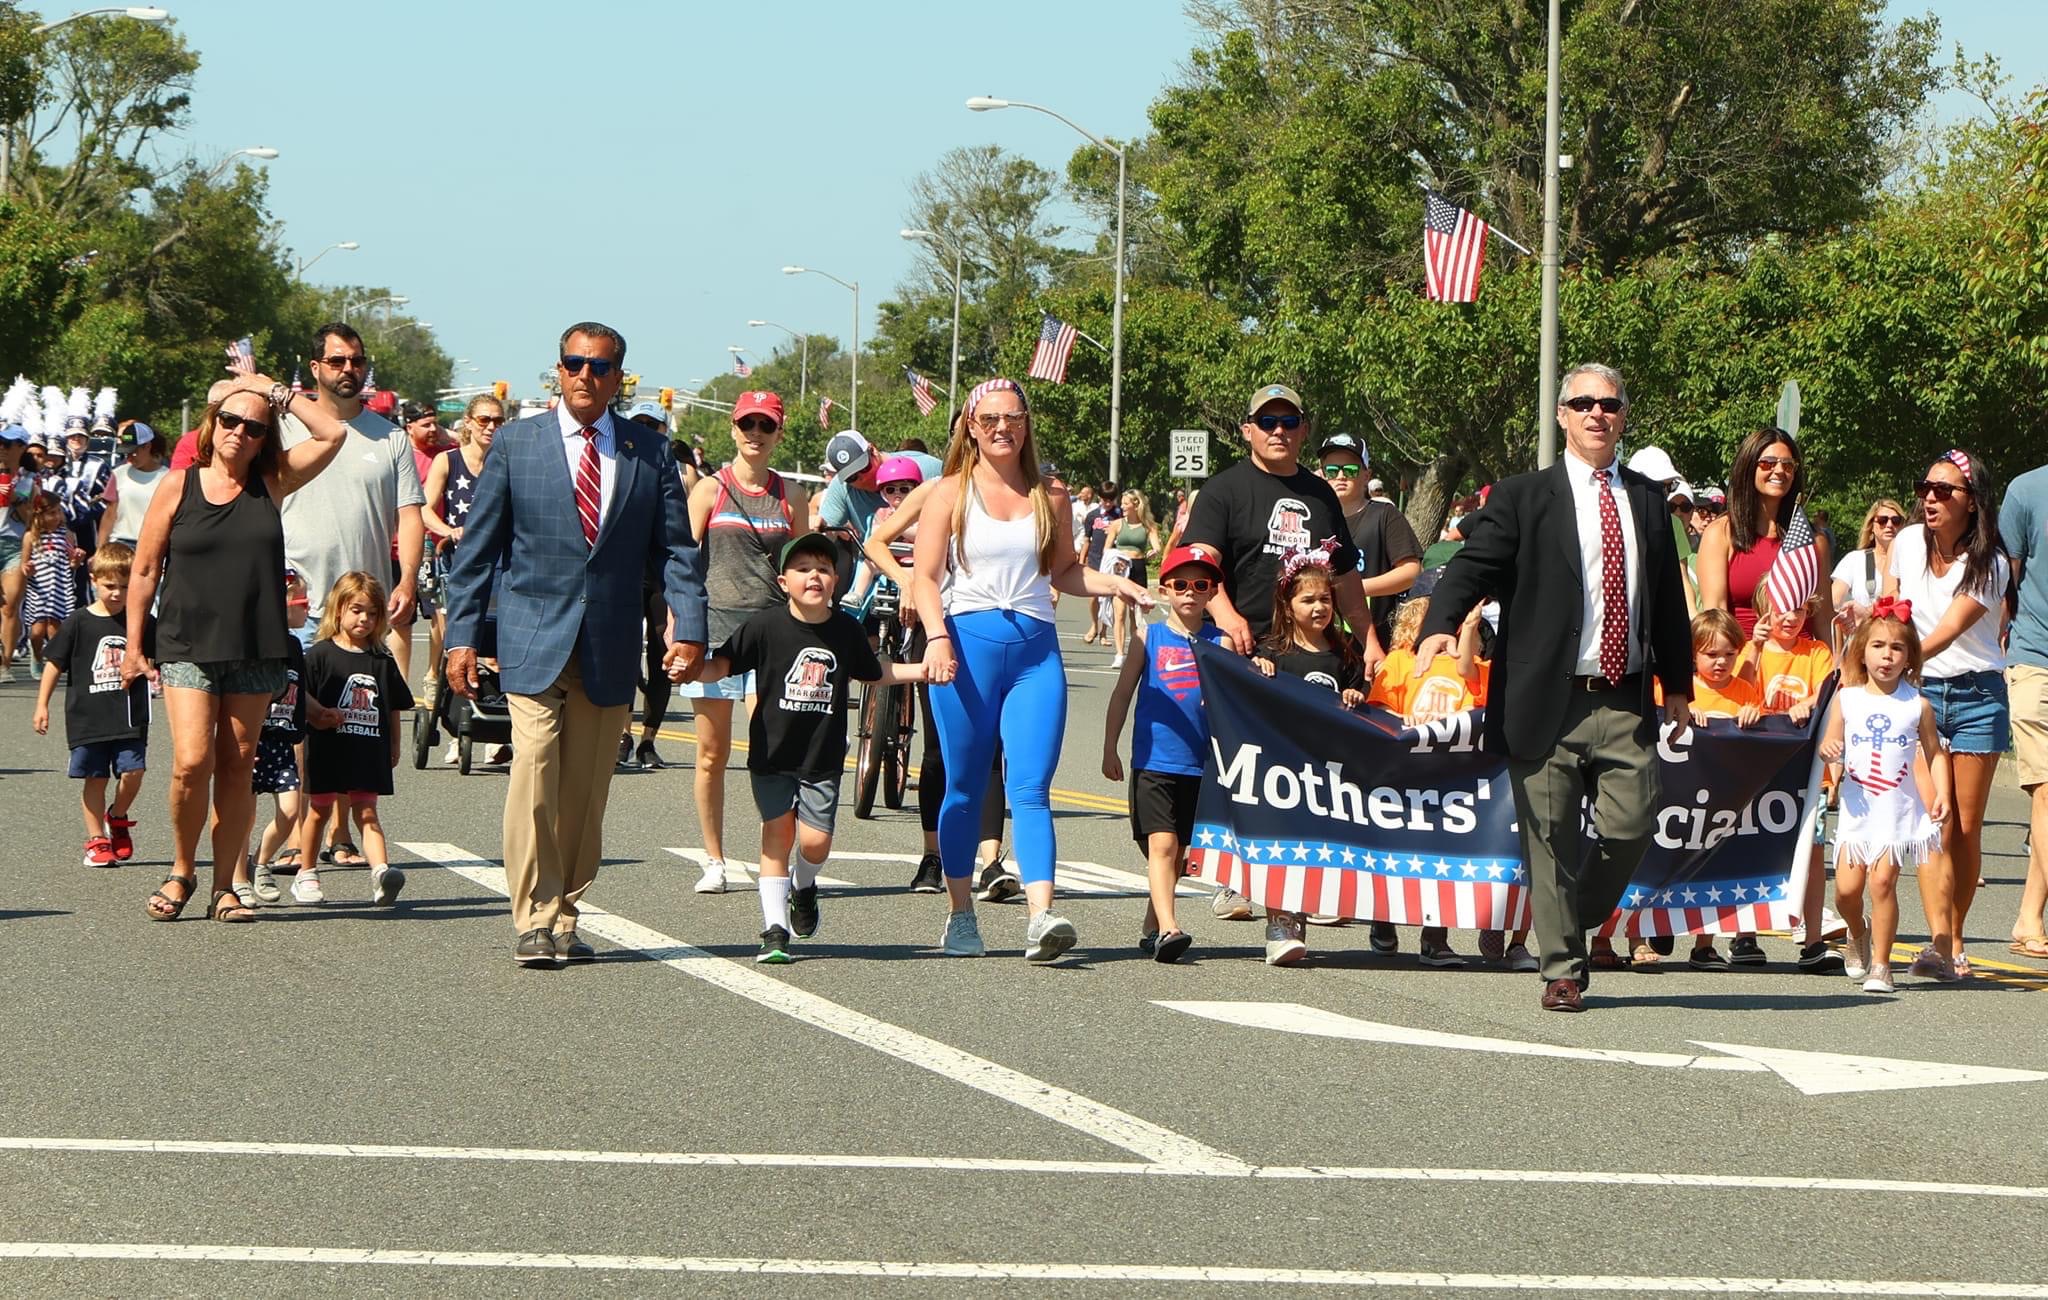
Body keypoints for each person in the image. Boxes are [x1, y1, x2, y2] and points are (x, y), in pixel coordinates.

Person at [1415, 362, 1692, 1012]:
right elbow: (1471, 566)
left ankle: (1572, 914)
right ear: (1563, 415)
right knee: (1550, 836)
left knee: (1633, 824)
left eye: (1610, 404)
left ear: (1623, 416)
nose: (1598, 413)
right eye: (1584, 403)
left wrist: (1677, 685)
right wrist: (1439, 622)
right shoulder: (1520, 496)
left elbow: (1668, 607)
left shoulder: (1649, 502)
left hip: (1623, 697)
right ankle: (1561, 968)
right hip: (1545, 699)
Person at [443, 321, 707, 969]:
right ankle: (533, 916)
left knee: (586, 795)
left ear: (619, 378)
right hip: (532, 639)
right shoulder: (516, 444)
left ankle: (566, 910)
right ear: (557, 371)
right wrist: (462, 636)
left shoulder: (649, 452)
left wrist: (691, 624)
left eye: (600, 367)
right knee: (533, 771)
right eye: (574, 364)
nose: (586, 376)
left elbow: (677, 550)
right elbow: (478, 549)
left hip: (611, 644)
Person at [911, 377, 1148, 962]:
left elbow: (1065, 573)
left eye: (1012, 418)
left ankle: (1041, 916)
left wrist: (1115, 582)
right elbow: (923, 576)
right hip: (965, 648)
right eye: (989, 419)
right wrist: (937, 637)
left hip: (1035, 652)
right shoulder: (948, 492)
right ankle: (960, 914)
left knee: (1032, 787)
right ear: (970, 425)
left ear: (1026, 425)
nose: (1001, 429)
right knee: (965, 787)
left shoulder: (1051, 496)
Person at [122, 375, 350, 923]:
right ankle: (182, 870)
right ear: (211, 424)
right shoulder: (178, 485)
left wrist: (268, 389)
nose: (240, 433)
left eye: (254, 427)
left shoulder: (271, 481)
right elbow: (146, 568)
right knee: (190, 762)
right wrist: (135, 645)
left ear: (264, 436)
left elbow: (332, 432)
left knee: (238, 765)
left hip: (256, 646)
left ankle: (226, 886)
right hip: (187, 643)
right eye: (230, 421)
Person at [694, 532, 927, 962]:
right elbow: (724, 663)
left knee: (815, 843)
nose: (813, 576)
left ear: (836, 580)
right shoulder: (764, 626)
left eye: (822, 568)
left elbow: (873, 672)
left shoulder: (845, 630)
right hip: (772, 755)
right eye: (802, 569)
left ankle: (804, 885)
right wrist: (692, 666)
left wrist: (921, 668)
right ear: (783, 582)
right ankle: (774, 930)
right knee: (777, 835)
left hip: (821, 758)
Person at [278, 324, 425, 871]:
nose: (348, 369)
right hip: (294, 598)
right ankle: (299, 831)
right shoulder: (285, 427)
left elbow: (408, 513)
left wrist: (406, 577)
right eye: (336, 360)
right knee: (297, 715)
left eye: (356, 360)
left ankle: (340, 833)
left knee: (351, 719)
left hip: (359, 608)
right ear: (314, 367)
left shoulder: (390, 438)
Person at [1884, 449, 2010, 981]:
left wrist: (1907, 653)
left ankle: (1957, 937)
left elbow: (1949, 629)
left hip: (1979, 693)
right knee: (1936, 818)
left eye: (1944, 491)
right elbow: (1891, 606)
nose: (1929, 498)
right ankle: (1937, 941)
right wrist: (1876, 637)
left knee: (1967, 825)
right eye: (1924, 488)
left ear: (1973, 502)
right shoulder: (1908, 543)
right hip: (1922, 693)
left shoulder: (1991, 562)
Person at [680, 390, 804, 895]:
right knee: (711, 754)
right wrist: (679, 628)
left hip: (773, 637)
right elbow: (683, 566)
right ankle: (715, 859)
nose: (755, 433)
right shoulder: (710, 490)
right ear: (733, 429)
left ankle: (772, 858)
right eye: (747, 424)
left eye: (765, 425)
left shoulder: (790, 495)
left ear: (778, 432)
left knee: (773, 749)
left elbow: (804, 570)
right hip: (714, 634)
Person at [1180, 384, 1382, 669]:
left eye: (1289, 423)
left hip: (1305, 655)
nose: (1278, 431)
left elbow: (1345, 576)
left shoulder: (1321, 494)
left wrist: (1369, 641)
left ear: (1303, 430)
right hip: (1237, 648)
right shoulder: (1223, 489)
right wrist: (1225, 615)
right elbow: (1199, 561)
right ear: (1247, 431)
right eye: (1266, 422)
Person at [1246, 544, 1382, 966]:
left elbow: (1363, 699)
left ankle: (1300, 916)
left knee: (1312, 848)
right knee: (1280, 847)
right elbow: (1247, 700)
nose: (1319, 607)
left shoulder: (1343, 654)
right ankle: (1279, 924)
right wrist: (1258, 672)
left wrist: (1356, 694)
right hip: (1282, 770)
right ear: (1287, 606)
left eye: (1325, 599)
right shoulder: (1273, 652)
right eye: (1308, 599)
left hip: (1327, 773)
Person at [1101, 543, 1227, 964]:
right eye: (1180, 584)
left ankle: (1153, 922)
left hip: (1202, 763)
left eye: (1200, 585)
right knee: (1163, 844)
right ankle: (1171, 928)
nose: (1190, 592)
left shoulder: (1220, 641)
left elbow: (1235, 699)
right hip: (1154, 760)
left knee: (1180, 851)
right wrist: (1109, 747)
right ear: (1165, 589)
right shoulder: (1147, 636)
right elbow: (1122, 696)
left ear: (1211, 592)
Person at [1821, 601, 1948, 994]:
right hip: (1858, 810)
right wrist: (1830, 749)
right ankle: (1857, 931)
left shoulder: (1917, 705)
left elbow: (1934, 752)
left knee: (1882, 884)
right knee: (1845, 891)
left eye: (1896, 648)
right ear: (1862, 650)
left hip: (1897, 810)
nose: (1887, 656)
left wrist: (1942, 792)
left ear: (1909, 656)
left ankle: (1881, 965)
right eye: (1878, 646)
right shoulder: (1849, 699)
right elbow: (1831, 737)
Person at [291, 571, 414, 908]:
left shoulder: (381, 660)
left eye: (372, 613)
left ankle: (381, 872)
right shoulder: (318, 656)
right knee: (318, 810)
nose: (364, 619)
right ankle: (307, 872)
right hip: (328, 748)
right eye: (356, 610)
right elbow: (303, 701)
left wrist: (395, 744)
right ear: (339, 610)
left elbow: (392, 707)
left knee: (367, 812)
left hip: (367, 749)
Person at [32, 542, 149, 868]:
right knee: (95, 778)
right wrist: (42, 705)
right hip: (88, 716)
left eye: (125, 587)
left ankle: (119, 815)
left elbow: (159, 654)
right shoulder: (78, 622)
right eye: (110, 585)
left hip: (130, 714)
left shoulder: (139, 620)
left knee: (134, 771)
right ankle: (96, 838)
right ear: (94, 580)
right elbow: (54, 663)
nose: (117, 593)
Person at [422, 393, 504, 760]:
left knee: (501, 643)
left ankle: (498, 729)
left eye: (498, 421)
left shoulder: (506, 462)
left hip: (503, 564)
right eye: (484, 419)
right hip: (460, 561)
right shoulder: (448, 461)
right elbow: (424, 508)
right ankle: (458, 724)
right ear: (468, 422)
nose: (491, 427)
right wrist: (447, 530)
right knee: (460, 641)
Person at [248, 570, 327, 905]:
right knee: (244, 814)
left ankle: (259, 861)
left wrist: (321, 713)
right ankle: (238, 874)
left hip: (282, 742)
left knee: (290, 810)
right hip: (253, 740)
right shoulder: (255, 645)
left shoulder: (295, 646)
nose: (308, 608)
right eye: (303, 602)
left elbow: (299, 690)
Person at [1318, 432, 1423, 681]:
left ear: (1366, 475)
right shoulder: (1315, 518)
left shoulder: (1384, 515)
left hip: (1375, 645)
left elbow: (1411, 571)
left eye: (1351, 469)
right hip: (1324, 645)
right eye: (1332, 470)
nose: (1341, 476)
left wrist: (1354, 589)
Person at [620, 400, 686, 770]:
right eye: (639, 422)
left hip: (661, 578)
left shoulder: (675, 469)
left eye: (653, 424)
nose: (646, 428)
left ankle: (648, 740)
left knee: (662, 656)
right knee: (625, 659)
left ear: (664, 430)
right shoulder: (618, 464)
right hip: (627, 575)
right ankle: (622, 735)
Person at [1999, 456, 2048, 961]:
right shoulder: (2028, 489)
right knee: (2047, 791)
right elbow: (2006, 578)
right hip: (2037, 656)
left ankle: (2029, 915)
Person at [395, 401, 454, 683]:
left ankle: (433, 676)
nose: (433, 430)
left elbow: (468, 439)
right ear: (409, 427)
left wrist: (445, 434)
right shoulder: (400, 454)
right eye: (426, 424)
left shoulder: (444, 455)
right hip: (398, 549)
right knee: (400, 619)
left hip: (435, 550)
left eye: (435, 424)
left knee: (439, 616)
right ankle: (399, 684)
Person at [1830, 499, 1908, 637]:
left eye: (1896, 520)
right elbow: (1834, 602)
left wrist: (1867, 612)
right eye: (1883, 520)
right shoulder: (1854, 559)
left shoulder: (1911, 561)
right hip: (1862, 640)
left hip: (1899, 638)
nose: (1889, 525)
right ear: (1872, 525)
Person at [20, 494, 80, 667]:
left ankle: (55, 662)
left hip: (60, 587)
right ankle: (37, 655)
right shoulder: (30, 536)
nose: (57, 516)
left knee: (55, 629)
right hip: (39, 589)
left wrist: (76, 560)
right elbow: (24, 565)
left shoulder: (66, 534)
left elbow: (72, 563)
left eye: (59, 511)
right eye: (52, 513)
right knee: (37, 631)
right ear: (39, 515)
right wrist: (28, 569)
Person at [1105, 489, 1160, 669]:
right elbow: (1107, 549)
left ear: (1136, 505)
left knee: (1135, 615)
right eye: (1121, 503)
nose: (1122, 506)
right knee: (1119, 613)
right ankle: (1119, 653)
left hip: (1138, 568)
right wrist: (1115, 560)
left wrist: (1154, 551)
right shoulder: (1117, 524)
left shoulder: (1148, 526)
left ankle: (1135, 653)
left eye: (1125, 503)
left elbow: (1156, 546)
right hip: (1121, 568)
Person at [1, 421, 35, 683]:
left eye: (8, 444)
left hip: (14, 545)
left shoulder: (30, 479)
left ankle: (5, 664)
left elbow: (33, 520)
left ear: (21, 447)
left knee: (10, 606)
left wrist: (16, 498)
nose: (2, 449)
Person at [98, 422, 166, 549]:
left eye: (133, 452)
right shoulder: (118, 474)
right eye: (126, 453)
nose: (129, 458)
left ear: (147, 446)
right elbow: (109, 514)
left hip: (153, 545)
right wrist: (100, 549)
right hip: (120, 544)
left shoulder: (168, 478)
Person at [1079, 481, 1120, 644]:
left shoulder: (1120, 515)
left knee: (1108, 596)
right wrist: (1082, 560)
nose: (1108, 503)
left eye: (1111, 500)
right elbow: (1087, 540)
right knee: (1094, 595)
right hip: (1095, 558)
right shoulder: (1092, 515)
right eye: (1104, 499)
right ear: (1100, 497)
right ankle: (1094, 625)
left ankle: (1104, 631)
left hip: (1113, 559)